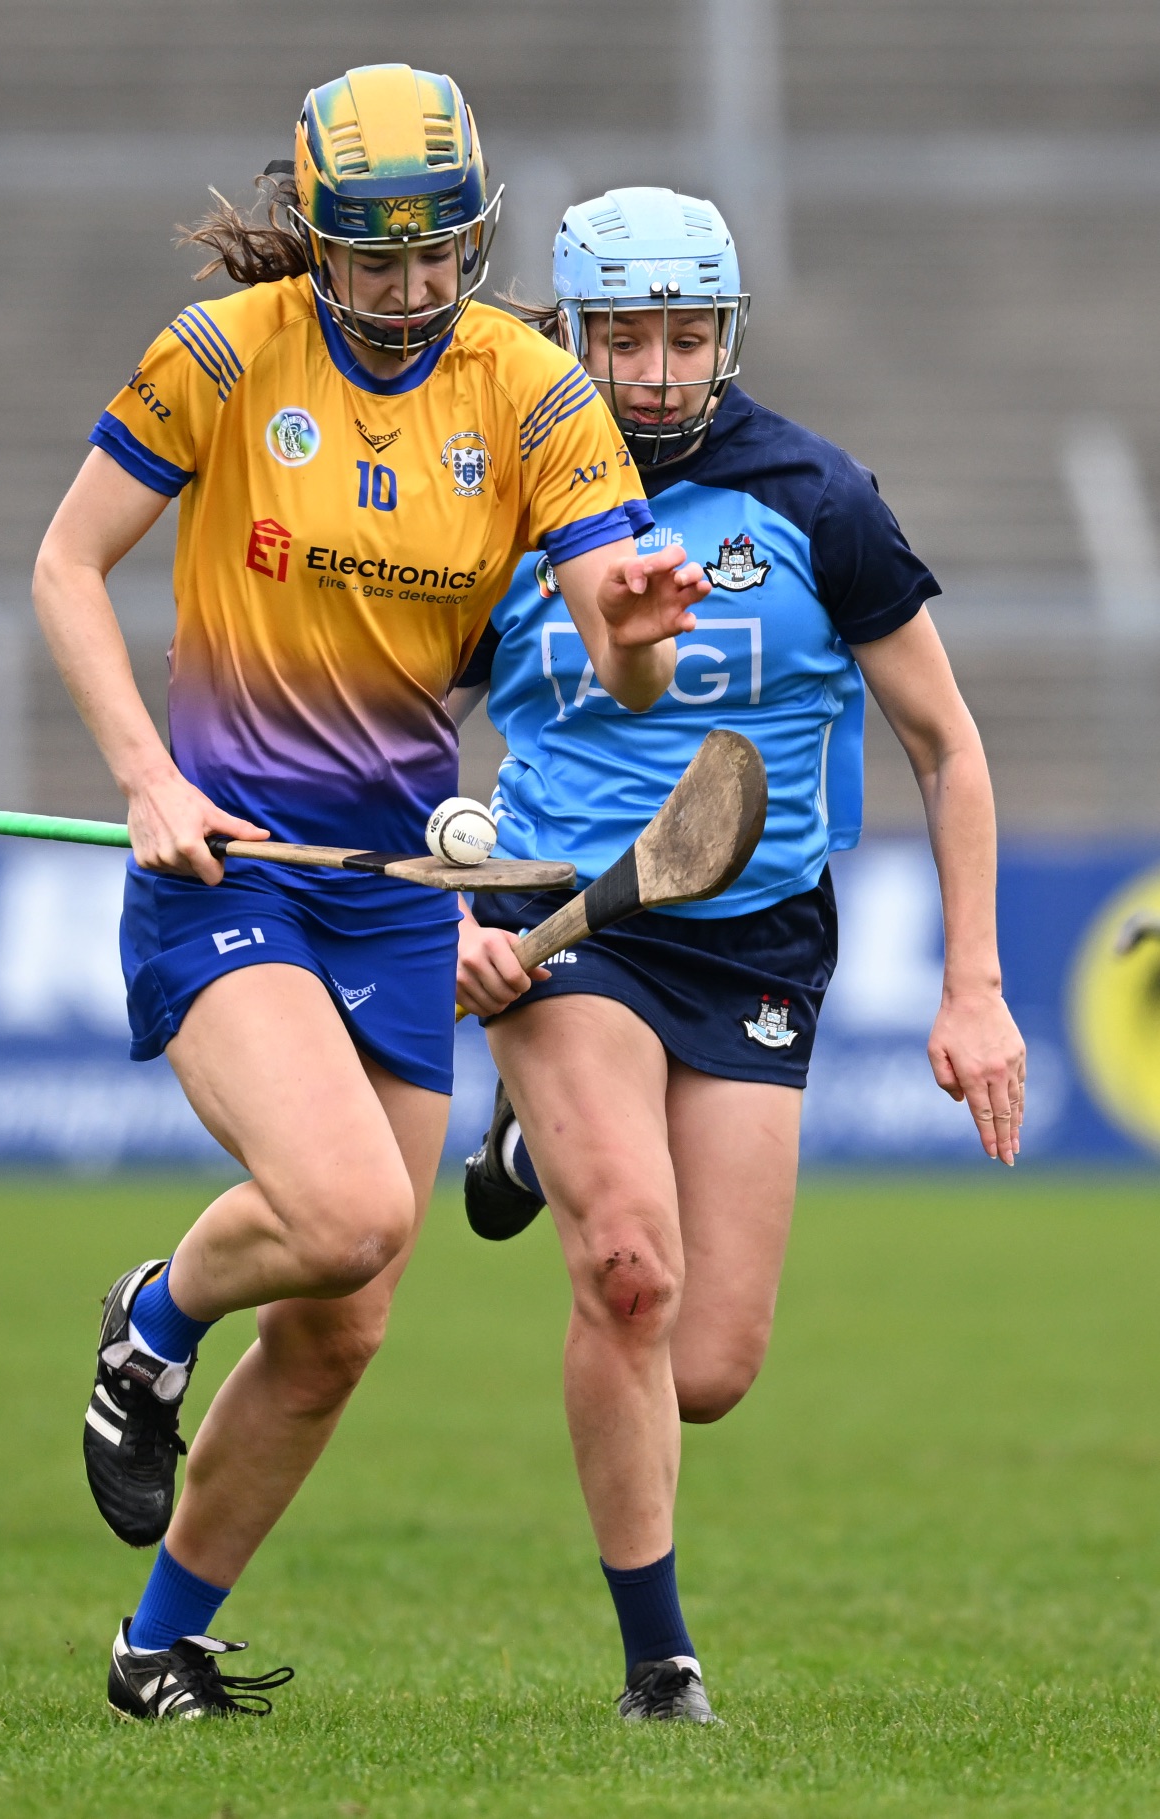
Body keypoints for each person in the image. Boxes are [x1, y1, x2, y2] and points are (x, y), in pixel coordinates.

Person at [32, 76, 712, 1721]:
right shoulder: (223, 354)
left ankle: (154, 1649)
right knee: (345, 1214)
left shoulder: (538, 392)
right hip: (230, 868)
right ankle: (150, 1323)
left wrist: (636, 618)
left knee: (344, 1328)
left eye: (442, 258)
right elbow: (66, 567)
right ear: (323, 241)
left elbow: (638, 678)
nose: (412, 293)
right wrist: (145, 775)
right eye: (375, 260)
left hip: (397, 884)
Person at [454, 187, 1027, 1723]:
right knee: (629, 1272)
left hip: (757, 940)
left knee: (705, 1367)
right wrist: (447, 911)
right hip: (564, 915)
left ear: (728, 334)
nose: (652, 371)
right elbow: (388, 735)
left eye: (684, 335)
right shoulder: (502, 488)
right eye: (623, 337)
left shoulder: (818, 500)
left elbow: (945, 747)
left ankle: (521, 1148)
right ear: (570, 333)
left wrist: (975, 988)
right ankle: (662, 1669)